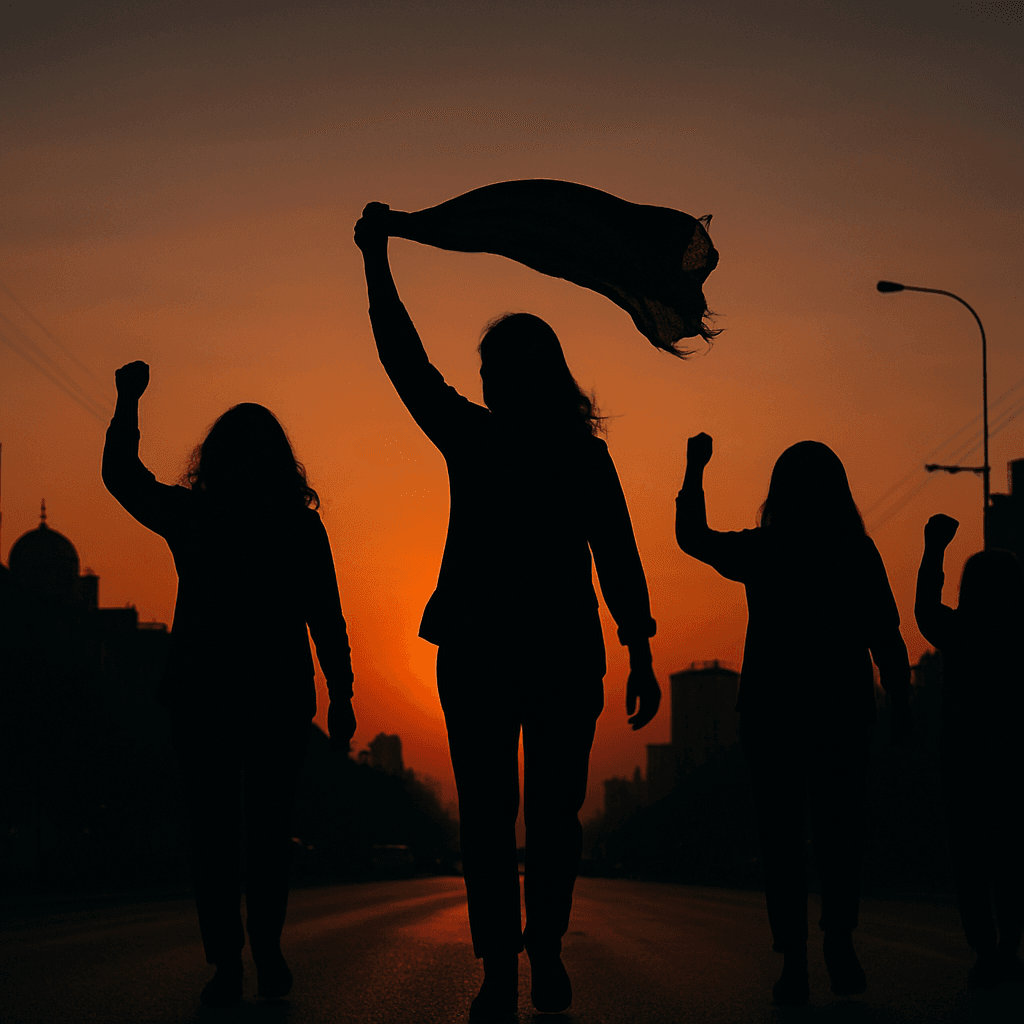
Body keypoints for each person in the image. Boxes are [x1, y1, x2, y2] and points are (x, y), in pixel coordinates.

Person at [355, 202, 661, 1022]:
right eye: (485, 370)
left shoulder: (501, 444)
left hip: (520, 654)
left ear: (524, 375)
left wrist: (639, 645)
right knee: (521, 818)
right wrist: (636, 647)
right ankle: (518, 960)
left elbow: (617, 554)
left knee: (513, 818)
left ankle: (524, 958)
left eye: (495, 368)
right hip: (536, 654)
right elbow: (406, 364)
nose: (487, 381)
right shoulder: (525, 446)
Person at [102, 361, 355, 1007]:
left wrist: (128, 401)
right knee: (264, 833)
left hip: (206, 696)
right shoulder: (296, 525)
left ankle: (231, 963)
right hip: (272, 697)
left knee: (215, 834)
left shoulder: (197, 517)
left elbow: (121, 477)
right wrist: (342, 695)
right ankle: (262, 953)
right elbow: (325, 615)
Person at [675, 432, 910, 1006]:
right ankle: (838, 942)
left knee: (781, 839)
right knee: (839, 833)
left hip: (772, 713)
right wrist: (900, 704)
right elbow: (886, 635)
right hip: (841, 713)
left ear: (778, 493)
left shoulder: (769, 548)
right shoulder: (857, 552)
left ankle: (796, 961)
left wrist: (695, 470)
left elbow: (694, 539)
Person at [915, 514, 1024, 988]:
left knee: (970, 858)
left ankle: (985, 949)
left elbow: (924, 609)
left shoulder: (959, 631)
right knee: (1010, 855)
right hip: (1014, 761)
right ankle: (1008, 946)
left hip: (962, 760)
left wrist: (934, 548)